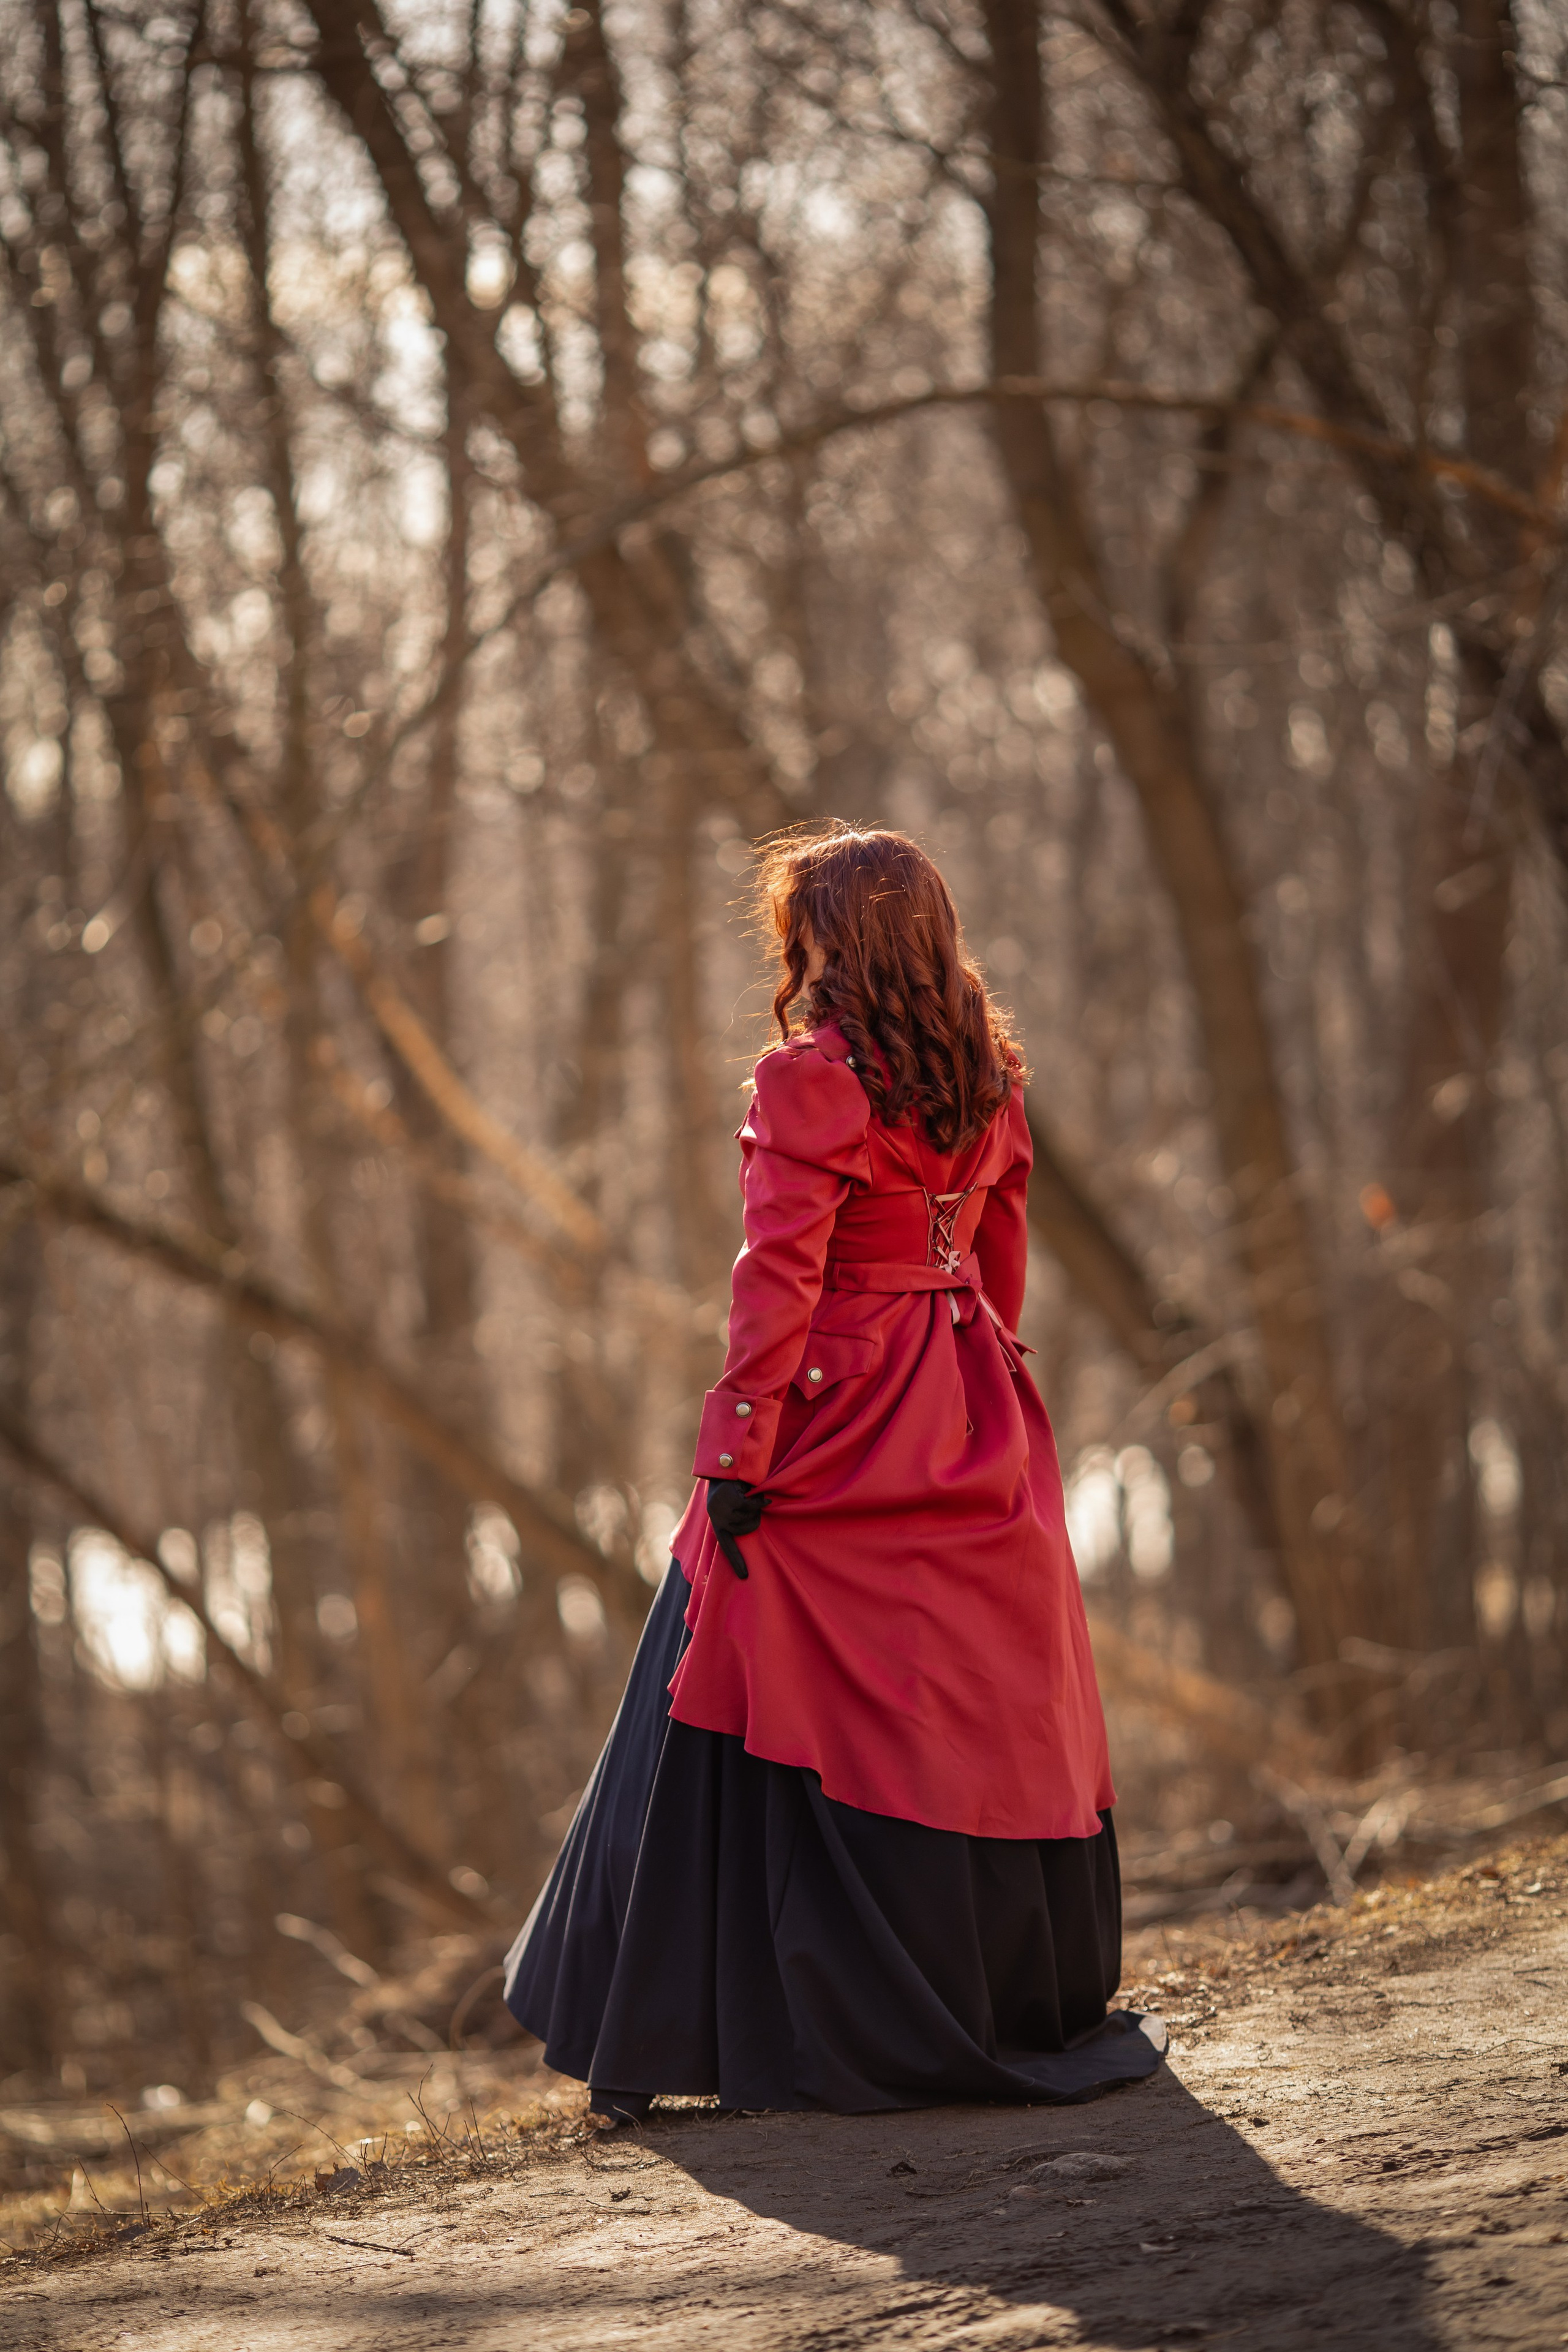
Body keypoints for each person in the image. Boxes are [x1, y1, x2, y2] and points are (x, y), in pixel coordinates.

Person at [503, 826, 1165, 2121]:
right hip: (969, 1386)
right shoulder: (988, 1073)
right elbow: (999, 1255)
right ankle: (1000, 1995)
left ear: (838, 936)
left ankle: (668, 2034)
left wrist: (738, 1451)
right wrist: (980, 1379)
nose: (786, 950)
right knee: (978, 1695)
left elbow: (776, 1279)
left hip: (834, 1402)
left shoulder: (811, 1077)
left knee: (728, 1662)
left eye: (798, 924)